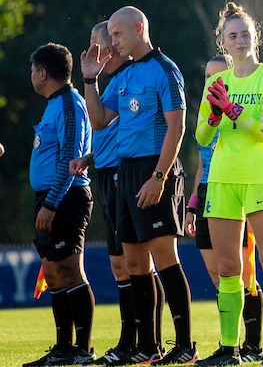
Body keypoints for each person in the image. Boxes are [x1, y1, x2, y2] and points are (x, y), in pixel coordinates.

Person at [81, 7, 195, 365]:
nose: (111, 42)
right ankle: (149, 346)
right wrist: (90, 80)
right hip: (126, 172)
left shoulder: (165, 69)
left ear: (139, 28)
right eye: (110, 35)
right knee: (134, 262)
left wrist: (159, 177)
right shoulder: (124, 74)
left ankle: (186, 346)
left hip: (154, 169)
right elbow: (99, 121)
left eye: (116, 34)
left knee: (164, 257)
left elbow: (176, 128)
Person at [196, 2, 263, 366]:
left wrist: (234, 112)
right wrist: (214, 114)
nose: (239, 40)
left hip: (259, 179)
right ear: (223, 43)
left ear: (256, 37)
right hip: (222, 179)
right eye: (232, 36)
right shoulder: (215, 81)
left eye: (245, 34)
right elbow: (202, 135)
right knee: (228, 270)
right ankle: (230, 350)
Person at [69, 21, 160, 366]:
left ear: (111, 48)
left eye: (97, 43)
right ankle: (131, 341)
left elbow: (129, 133)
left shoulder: (132, 80)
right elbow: (104, 129)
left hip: (125, 176)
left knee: (139, 263)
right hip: (106, 174)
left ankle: (146, 341)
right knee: (121, 265)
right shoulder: (108, 85)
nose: (92, 50)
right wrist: (91, 157)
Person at [188, 54, 263, 363]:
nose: (212, 81)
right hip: (208, 194)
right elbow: (200, 164)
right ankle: (229, 346)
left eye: (218, 75)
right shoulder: (206, 112)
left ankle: (253, 347)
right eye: (208, 75)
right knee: (218, 274)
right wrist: (193, 205)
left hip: (235, 191)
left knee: (244, 276)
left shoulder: (241, 114)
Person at [25, 44, 95, 367]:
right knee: (53, 274)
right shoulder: (53, 104)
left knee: (70, 270)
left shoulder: (69, 103)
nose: (31, 77)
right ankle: (63, 349)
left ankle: (83, 350)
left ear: (43, 73)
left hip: (65, 199)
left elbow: (70, 155)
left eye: (32, 70)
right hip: (49, 199)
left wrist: (51, 204)